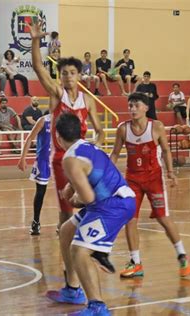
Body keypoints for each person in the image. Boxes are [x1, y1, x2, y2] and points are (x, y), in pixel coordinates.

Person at [47, 113, 136, 315]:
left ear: (57, 136)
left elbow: (86, 198)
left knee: (79, 251)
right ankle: (72, 289)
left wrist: (74, 198)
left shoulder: (69, 159)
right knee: (66, 230)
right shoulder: (87, 146)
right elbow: (90, 171)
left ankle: (97, 307)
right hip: (115, 200)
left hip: (113, 205)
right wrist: (71, 187)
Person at [29, 18, 104, 228]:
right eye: (64, 73)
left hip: (83, 157)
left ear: (79, 75)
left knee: (94, 200)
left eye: (72, 73)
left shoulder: (88, 101)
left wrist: (95, 144)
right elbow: (37, 67)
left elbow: (100, 131)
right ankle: (65, 241)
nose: (68, 77)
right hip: (62, 159)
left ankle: (87, 242)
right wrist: (35, 41)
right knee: (66, 209)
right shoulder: (57, 94)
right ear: (59, 77)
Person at [110, 92, 190, 279]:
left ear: (146, 107)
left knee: (163, 218)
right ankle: (136, 263)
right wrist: (107, 171)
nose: (132, 109)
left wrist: (171, 172)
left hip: (154, 178)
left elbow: (165, 150)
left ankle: (182, 255)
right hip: (132, 180)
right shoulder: (123, 129)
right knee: (130, 219)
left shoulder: (156, 127)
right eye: (130, 105)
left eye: (136, 105)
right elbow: (115, 153)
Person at [17, 113, 51, 235]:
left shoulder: (65, 120)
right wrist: (22, 158)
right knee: (41, 192)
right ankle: (36, 221)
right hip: (44, 160)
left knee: (64, 191)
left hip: (59, 159)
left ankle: (63, 222)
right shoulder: (44, 120)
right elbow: (30, 138)